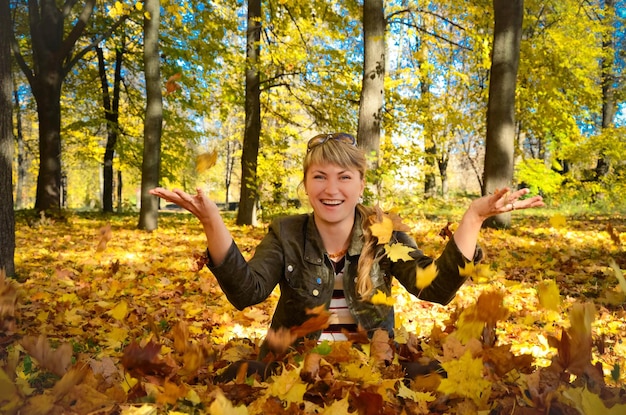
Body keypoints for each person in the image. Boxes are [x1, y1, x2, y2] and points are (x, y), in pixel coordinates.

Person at [150, 132, 544, 378]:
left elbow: (435, 288)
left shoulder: (383, 230)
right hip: (293, 369)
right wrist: (211, 221)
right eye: (319, 176)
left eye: (344, 177)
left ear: (360, 184)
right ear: (306, 184)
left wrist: (473, 216)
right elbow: (246, 292)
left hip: (371, 370)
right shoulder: (286, 232)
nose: (331, 188)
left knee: (444, 379)